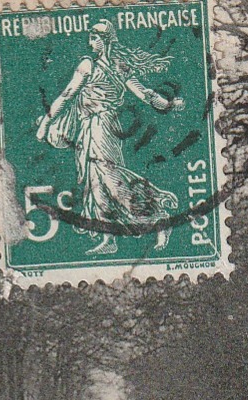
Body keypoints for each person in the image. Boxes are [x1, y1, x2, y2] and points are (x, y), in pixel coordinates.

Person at [35, 19, 185, 256]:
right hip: (88, 127)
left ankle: (157, 216)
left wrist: (46, 122)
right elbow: (68, 95)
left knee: (110, 178)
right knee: (95, 183)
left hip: (103, 126)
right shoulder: (106, 65)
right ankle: (109, 238)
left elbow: (143, 93)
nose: (90, 41)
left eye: (94, 37)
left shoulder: (97, 65)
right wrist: (167, 105)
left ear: (104, 40)